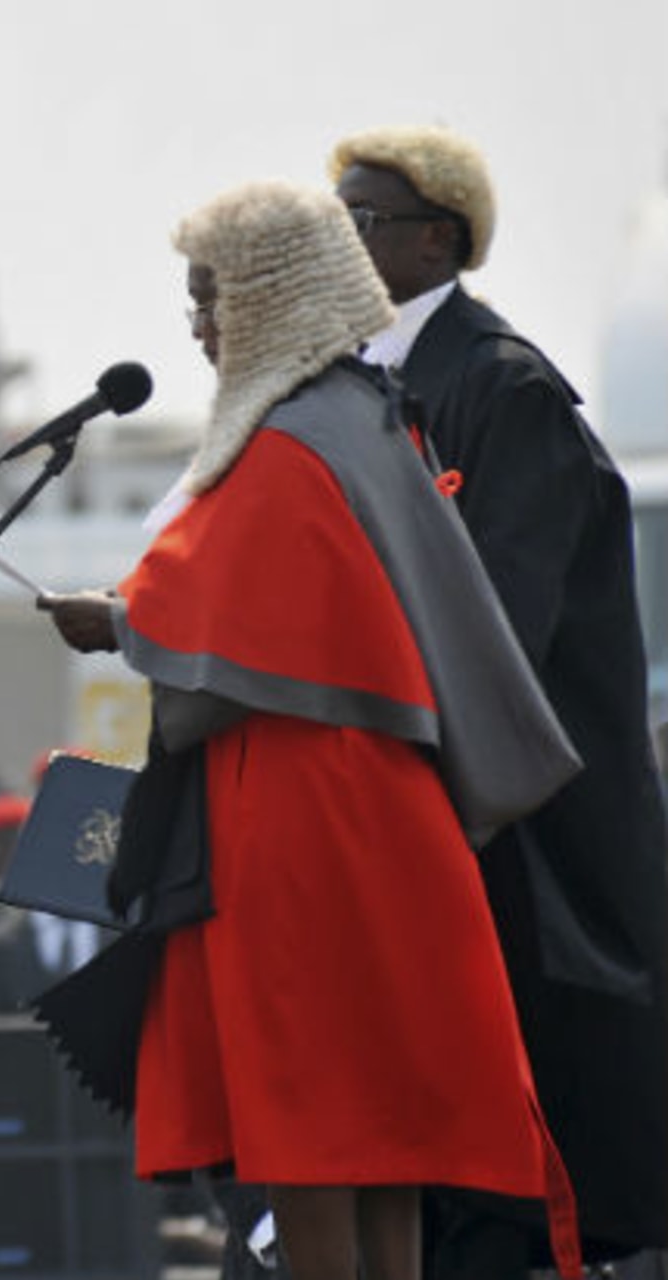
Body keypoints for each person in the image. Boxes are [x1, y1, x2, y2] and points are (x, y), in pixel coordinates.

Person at [37, 180, 583, 1280]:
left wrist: (118, 621)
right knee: (380, 1138)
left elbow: (228, 624)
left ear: (270, 297)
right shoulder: (359, 416)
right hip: (370, 809)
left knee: (307, 1125)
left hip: (300, 814)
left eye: (211, 297)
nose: (196, 324)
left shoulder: (287, 443)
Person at [329, 124, 668, 1276]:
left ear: (441, 240)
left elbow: (495, 644)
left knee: (507, 1187)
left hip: (515, 849)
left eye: (364, 218)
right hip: (408, 829)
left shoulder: (501, 390)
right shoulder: (357, 382)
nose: (343, 238)